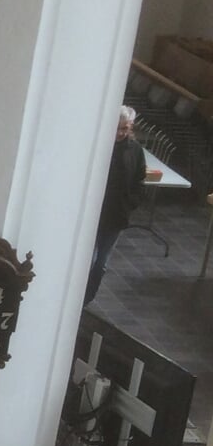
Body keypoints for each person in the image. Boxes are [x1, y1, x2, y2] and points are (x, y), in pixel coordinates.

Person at [86, 106, 147, 304]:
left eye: (125, 128)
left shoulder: (135, 150)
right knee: (89, 259)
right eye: (117, 128)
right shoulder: (99, 147)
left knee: (101, 263)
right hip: (94, 212)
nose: (120, 133)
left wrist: (131, 203)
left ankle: (88, 297)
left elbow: (139, 179)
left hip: (116, 214)